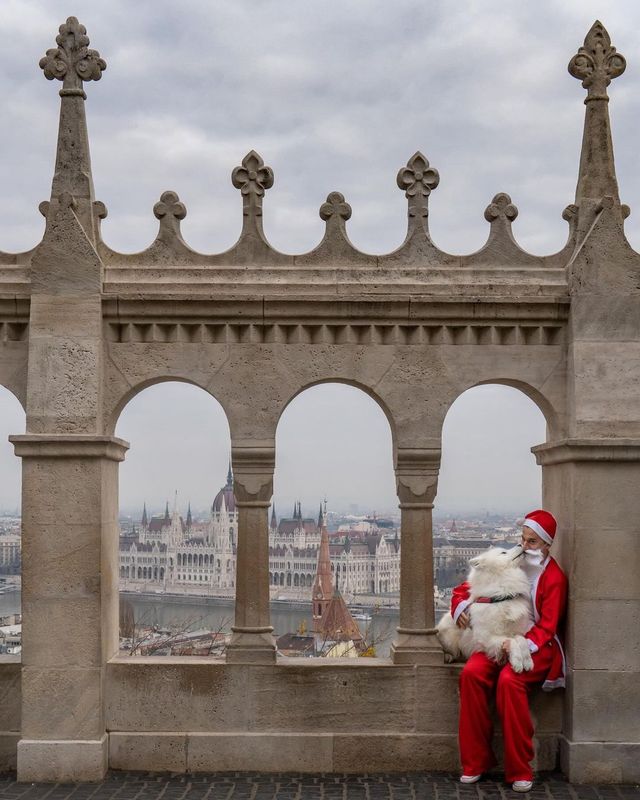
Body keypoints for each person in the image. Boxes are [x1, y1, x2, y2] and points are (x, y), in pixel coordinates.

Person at [451, 509, 568, 793]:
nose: (524, 547)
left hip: (535, 647)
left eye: (532, 543)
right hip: (496, 640)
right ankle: (476, 761)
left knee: (509, 681)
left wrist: (517, 646)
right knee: (471, 675)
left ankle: (520, 768)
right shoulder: (511, 563)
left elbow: (548, 627)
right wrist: (460, 608)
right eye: (523, 539)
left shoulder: (554, 578)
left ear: (546, 545)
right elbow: (465, 589)